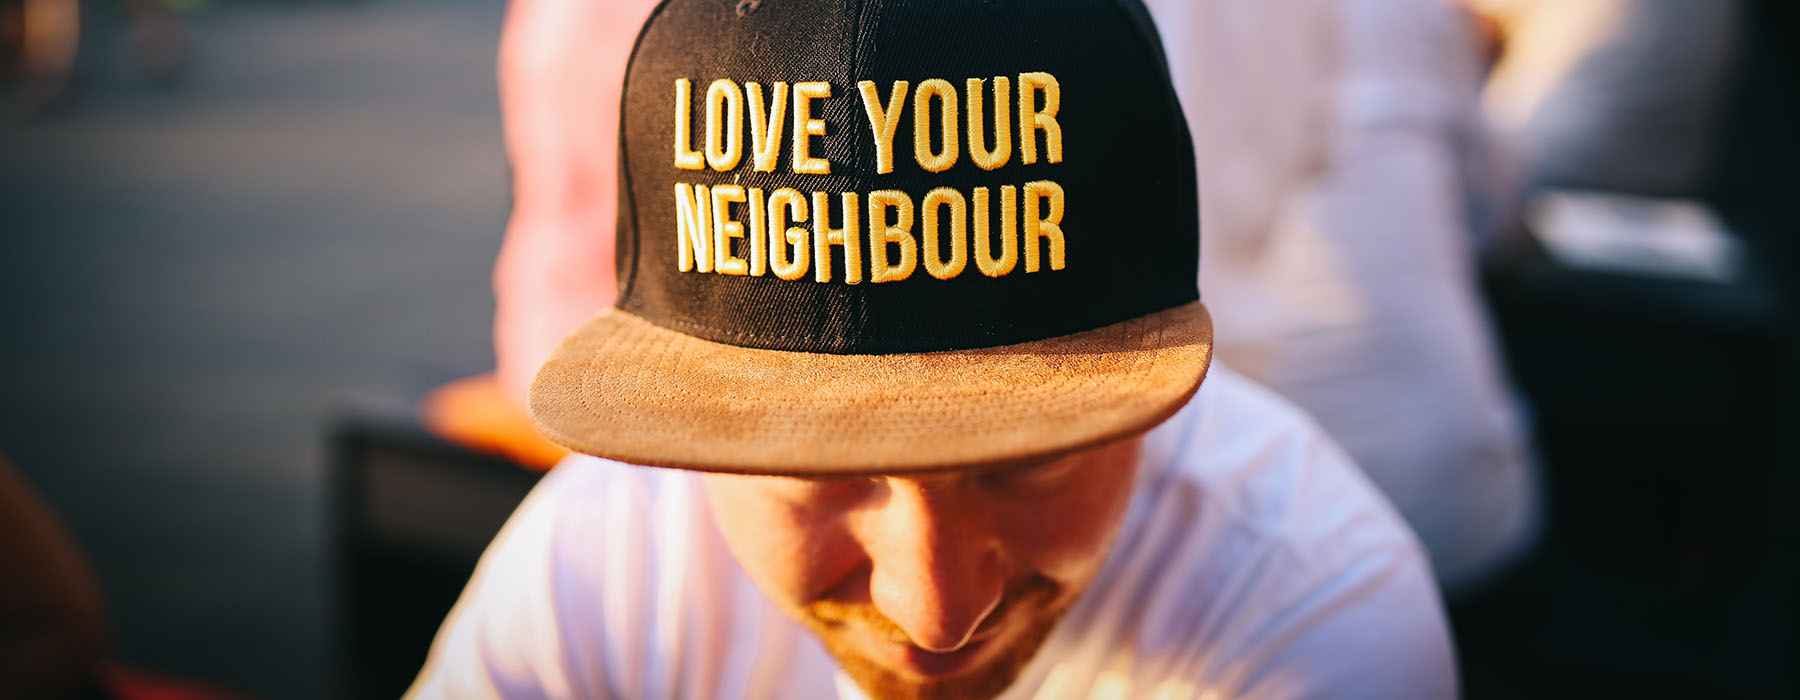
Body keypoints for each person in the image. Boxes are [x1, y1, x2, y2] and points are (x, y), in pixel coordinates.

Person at [410, 1, 1456, 698]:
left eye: (1032, 458)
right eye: (809, 468)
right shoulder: (612, 557)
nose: (936, 611)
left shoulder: (1310, 610)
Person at [1152, 0, 1541, 595]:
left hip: (1271, 547)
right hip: (1455, 501)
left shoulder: (1151, 33)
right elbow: (1493, 209)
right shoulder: (1413, 17)